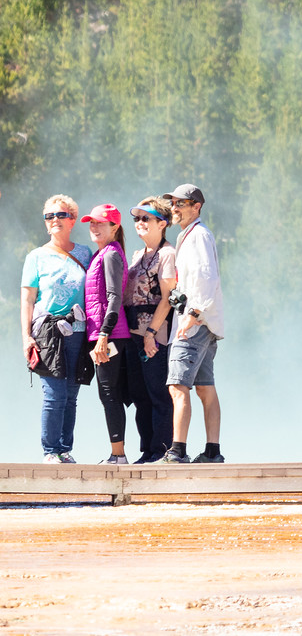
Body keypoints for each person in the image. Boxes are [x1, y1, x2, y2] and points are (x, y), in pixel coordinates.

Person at [20, 195, 88, 463]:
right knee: (54, 394)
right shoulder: (36, 257)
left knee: (71, 394)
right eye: (49, 216)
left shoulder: (85, 253)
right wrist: (26, 337)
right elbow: (27, 300)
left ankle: (64, 449)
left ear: (72, 219)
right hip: (47, 331)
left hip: (79, 330)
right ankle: (50, 451)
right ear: (45, 224)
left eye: (61, 215)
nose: (55, 220)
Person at [165, 183, 225, 464]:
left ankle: (177, 451)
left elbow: (205, 277)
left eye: (181, 203)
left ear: (196, 206)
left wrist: (193, 314)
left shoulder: (198, 235)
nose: (174, 208)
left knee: (178, 385)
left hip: (195, 322)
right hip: (204, 322)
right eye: (173, 203)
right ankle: (213, 451)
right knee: (205, 387)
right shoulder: (190, 235)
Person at [123, 199, 177, 463]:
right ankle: (147, 449)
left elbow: (167, 297)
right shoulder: (137, 255)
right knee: (139, 394)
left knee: (158, 393)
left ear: (162, 223)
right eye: (137, 219)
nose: (140, 223)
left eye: (147, 218)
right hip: (133, 331)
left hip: (155, 333)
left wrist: (151, 333)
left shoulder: (167, 254)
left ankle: (162, 449)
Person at [80, 204, 133, 463]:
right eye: (92, 222)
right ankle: (117, 453)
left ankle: (118, 455)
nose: (94, 226)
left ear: (114, 227)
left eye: (100, 223)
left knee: (109, 393)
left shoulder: (110, 254)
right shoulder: (99, 254)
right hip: (102, 335)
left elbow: (114, 298)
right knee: (107, 392)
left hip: (109, 336)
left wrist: (103, 335)